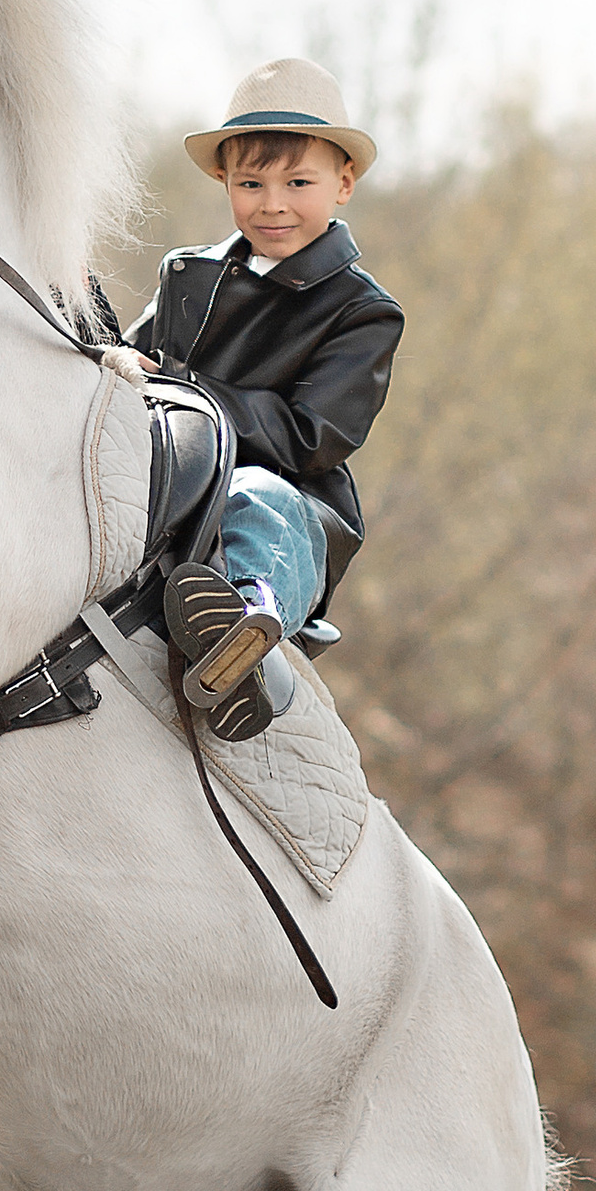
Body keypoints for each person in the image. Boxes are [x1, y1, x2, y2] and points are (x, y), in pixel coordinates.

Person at [126, 58, 404, 744]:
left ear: (343, 184)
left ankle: (250, 632)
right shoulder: (188, 276)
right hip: (177, 483)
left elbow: (314, 435)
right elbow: (129, 364)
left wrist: (184, 394)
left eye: (297, 183)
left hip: (287, 499)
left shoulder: (361, 311)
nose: (271, 203)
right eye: (251, 183)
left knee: (257, 497)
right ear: (225, 182)